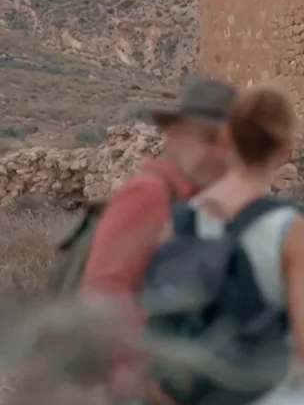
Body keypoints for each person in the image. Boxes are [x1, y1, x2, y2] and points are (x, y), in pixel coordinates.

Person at [156, 84, 304, 405]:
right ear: (285, 150)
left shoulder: (179, 221)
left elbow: (163, 323)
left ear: (226, 138)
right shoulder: (292, 230)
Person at [80, 76, 239, 404]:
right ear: (173, 135)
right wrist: (142, 383)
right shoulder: (150, 194)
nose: (219, 154)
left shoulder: (199, 204)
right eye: (209, 139)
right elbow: (103, 294)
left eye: (228, 143)